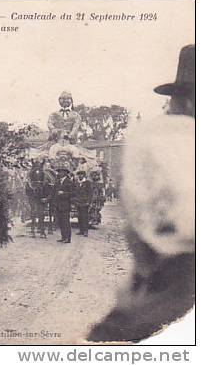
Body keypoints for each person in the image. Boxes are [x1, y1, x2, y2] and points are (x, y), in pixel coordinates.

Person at [87, 44, 195, 342]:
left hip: (180, 276)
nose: (171, 109)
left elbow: (144, 226)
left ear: (183, 102)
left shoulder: (168, 145)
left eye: (175, 101)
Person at [25, 160, 50, 238]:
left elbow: (47, 193)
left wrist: (45, 198)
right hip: (33, 197)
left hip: (41, 197)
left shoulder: (45, 185)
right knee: (33, 212)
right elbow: (27, 193)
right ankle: (33, 230)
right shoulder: (29, 184)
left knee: (41, 213)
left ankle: (42, 230)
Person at [53, 163, 74, 243]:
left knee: (66, 222)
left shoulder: (69, 182)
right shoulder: (57, 182)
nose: (59, 173)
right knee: (61, 222)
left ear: (65, 173)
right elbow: (54, 193)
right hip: (58, 205)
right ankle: (63, 237)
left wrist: (64, 193)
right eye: (59, 172)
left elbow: (72, 193)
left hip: (65, 205)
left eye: (61, 172)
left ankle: (68, 238)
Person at [73, 170, 92, 237]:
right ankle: (81, 230)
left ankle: (85, 231)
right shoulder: (76, 183)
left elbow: (90, 193)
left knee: (84, 217)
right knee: (79, 216)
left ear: (84, 175)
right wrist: (75, 200)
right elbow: (74, 192)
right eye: (79, 174)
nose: (80, 176)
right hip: (78, 202)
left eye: (81, 174)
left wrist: (88, 202)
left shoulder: (87, 183)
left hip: (84, 202)